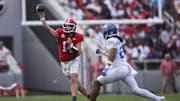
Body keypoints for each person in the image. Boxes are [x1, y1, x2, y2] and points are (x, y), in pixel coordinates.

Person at [90, 23, 165, 101]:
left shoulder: (111, 40)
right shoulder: (116, 39)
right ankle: (158, 99)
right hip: (125, 68)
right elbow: (113, 53)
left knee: (96, 83)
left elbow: (112, 55)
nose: (103, 31)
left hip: (119, 69)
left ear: (109, 31)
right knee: (136, 90)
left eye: (105, 30)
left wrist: (106, 67)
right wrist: (102, 52)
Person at [37, 5, 89, 101]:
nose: (68, 28)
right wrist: (42, 18)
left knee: (73, 79)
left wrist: (71, 47)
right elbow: (48, 29)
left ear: (74, 27)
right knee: (76, 82)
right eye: (66, 26)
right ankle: (90, 96)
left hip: (74, 59)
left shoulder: (78, 36)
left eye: (70, 26)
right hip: (64, 62)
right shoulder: (60, 34)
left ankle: (74, 99)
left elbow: (78, 53)